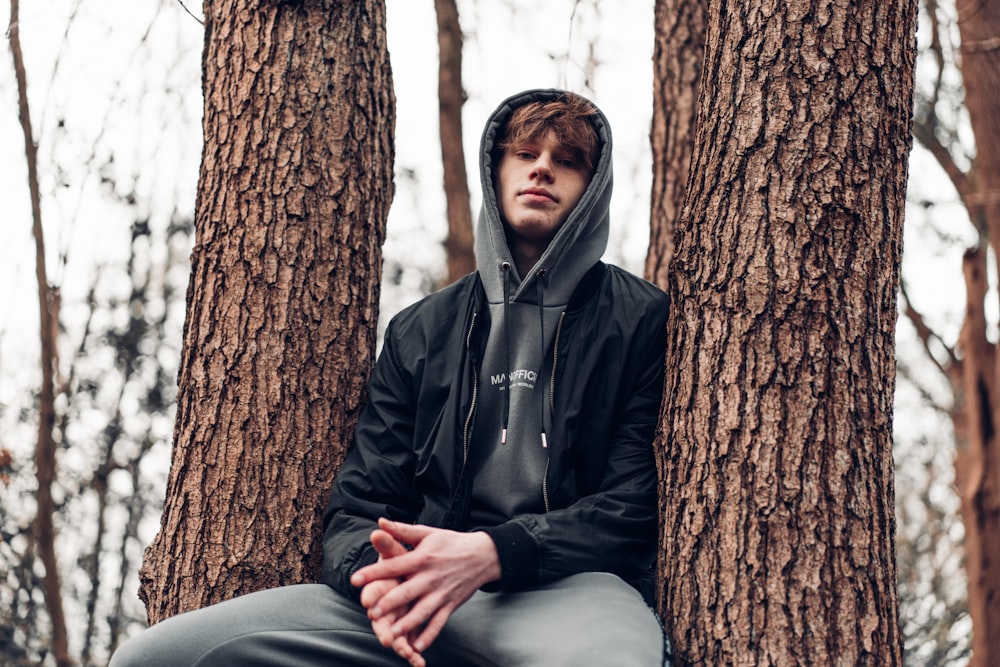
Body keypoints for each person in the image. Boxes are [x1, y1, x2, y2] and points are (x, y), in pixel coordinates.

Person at [110, 88, 671, 667]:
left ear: (592, 186)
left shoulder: (641, 319)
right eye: (524, 153)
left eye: (567, 160)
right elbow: (358, 506)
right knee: (158, 657)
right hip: (415, 588)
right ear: (494, 170)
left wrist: (495, 552)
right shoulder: (422, 330)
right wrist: (379, 580)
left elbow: (634, 504)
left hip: (570, 591)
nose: (542, 169)